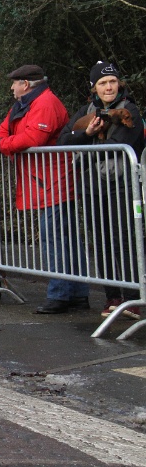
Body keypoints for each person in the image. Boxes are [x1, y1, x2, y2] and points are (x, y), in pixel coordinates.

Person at [0, 64, 78, 314]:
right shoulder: (25, 104)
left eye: (14, 82)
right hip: (44, 178)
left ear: (25, 84)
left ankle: (61, 294)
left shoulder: (45, 103)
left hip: (53, 178)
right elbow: (6, 129)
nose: (11, 87)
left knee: (56, 237)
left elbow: (34, 138)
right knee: (62, 236)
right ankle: (74, 292)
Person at [58, 61, 143, 320]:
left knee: (124, 240)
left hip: (122, 184)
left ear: (119, 84)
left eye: (113, 81)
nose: (109, 87)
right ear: (94, 88)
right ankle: (112, 297)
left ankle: (132, 298)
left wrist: (83, 155)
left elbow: (119, 144)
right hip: (91, 186)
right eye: (103, 83)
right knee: (102, 241)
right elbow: (63, 140)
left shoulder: (129, 110)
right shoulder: (85, 111)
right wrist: (87, 134)